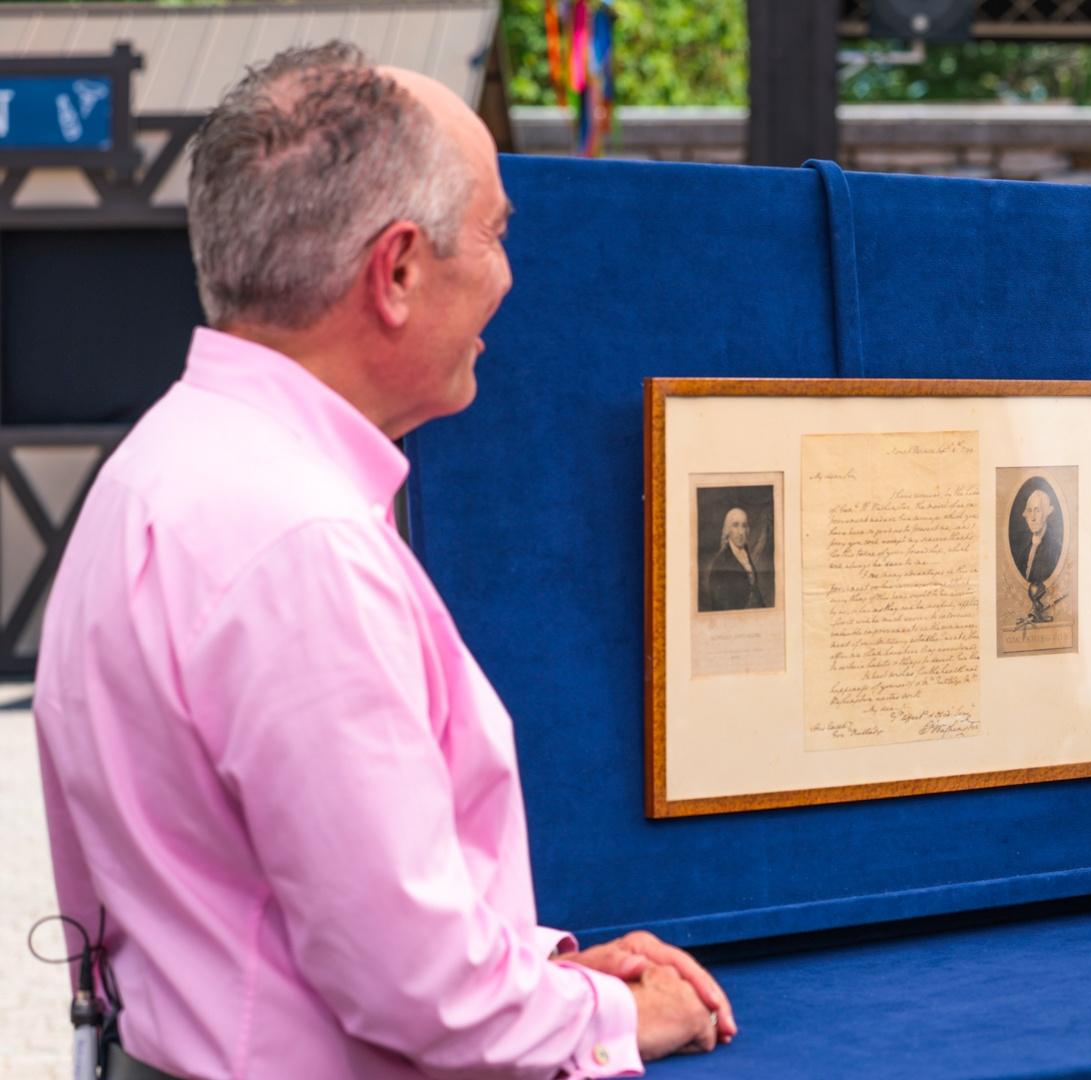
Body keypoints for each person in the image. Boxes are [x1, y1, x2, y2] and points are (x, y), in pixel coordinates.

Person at [35, 43, 735, 1079]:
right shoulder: (300, 543)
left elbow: (269, 906)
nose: (508, 275)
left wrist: (544, 975)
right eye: (494, 233)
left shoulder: (158, 467)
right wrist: (617, 1014)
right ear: (397, 270)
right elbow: (420, 989)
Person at [702, 506, 771, 610]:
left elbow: (754, 589)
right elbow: (721, 606)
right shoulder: (720, 562)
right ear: (728, 530)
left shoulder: (745, 552)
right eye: (735, 525)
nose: (741, 532)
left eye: (744, 526)